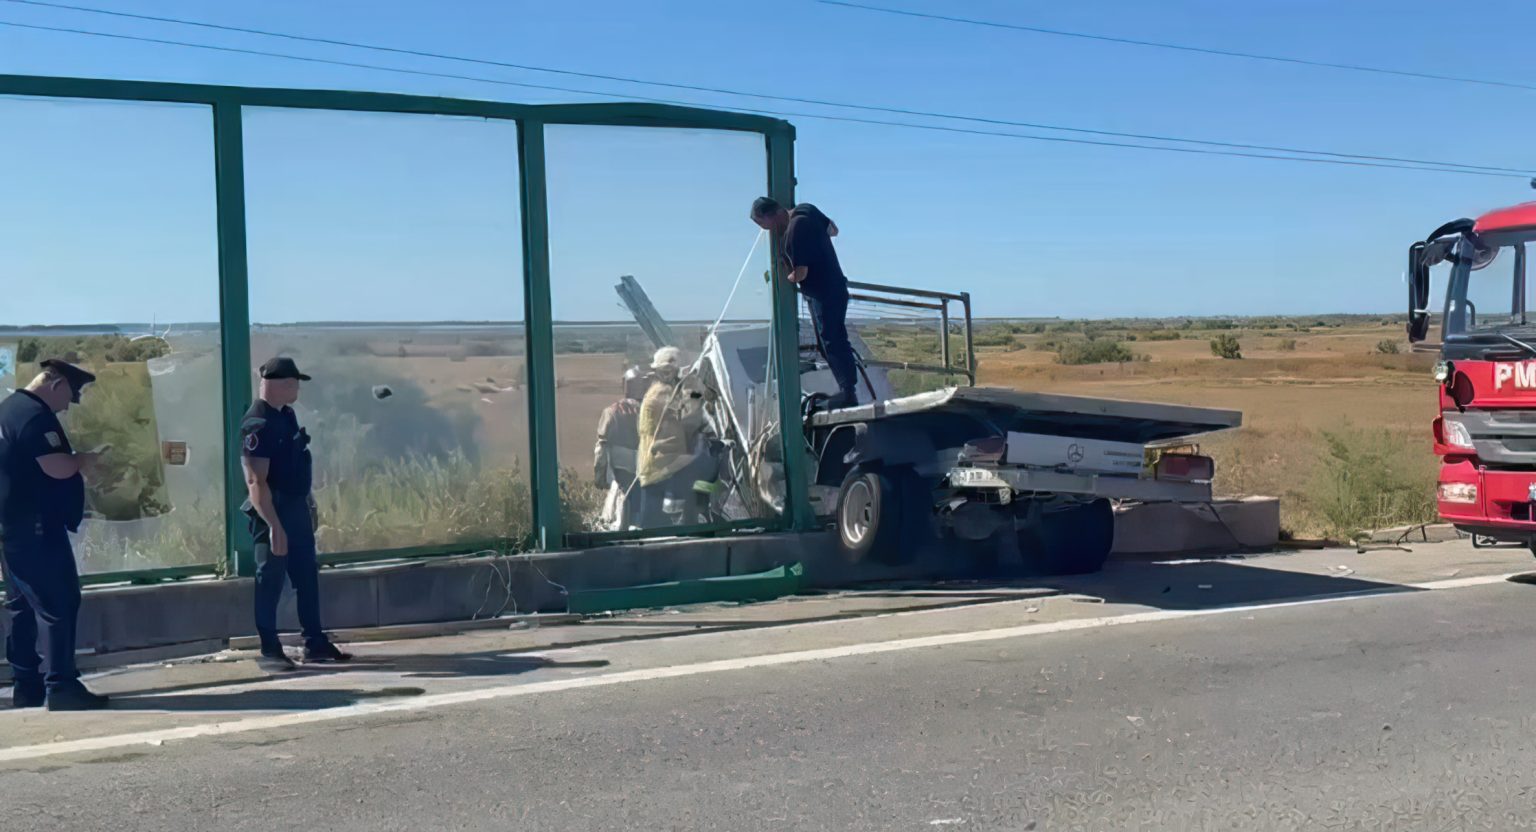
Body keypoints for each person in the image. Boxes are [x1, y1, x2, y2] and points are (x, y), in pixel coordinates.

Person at [0, 359, 108, 710]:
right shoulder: (34, 416)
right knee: (58, 603)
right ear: (56, 384)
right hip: (36, 530)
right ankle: (61, 685)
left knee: (22, 606)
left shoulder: (10, 409)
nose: (67, 406)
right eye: (69, 396)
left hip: (14, 528)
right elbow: (56, 466)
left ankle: (26, 684)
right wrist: (83, 460)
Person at [240, 357, 350, 672]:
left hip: (296, 507)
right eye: (295, 383)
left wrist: (308, 504)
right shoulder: (258, 423)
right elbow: (255, 481)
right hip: (272, 509)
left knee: (306, 575)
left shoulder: (285, 415)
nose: (298, 389)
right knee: (270, 579)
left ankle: (315, 642)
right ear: (285, 384)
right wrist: (274, 525)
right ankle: (269, 649)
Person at [751, 196, 859, 409]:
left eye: (761, 223)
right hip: (835, 286)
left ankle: (848, 392)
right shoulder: (806, 210)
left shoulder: (794, 231)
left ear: (771, 216)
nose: (764, 229)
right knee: (829, 339)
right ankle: (846, 389)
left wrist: (785, 276)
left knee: (831, 339)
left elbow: (800, 273)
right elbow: (833, 230)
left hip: (822, 291)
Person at [635, 347, 716, 527]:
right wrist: (692, 385)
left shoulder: (657, 391)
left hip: (656, 464)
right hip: (667, 465)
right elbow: (691, 414)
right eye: (666, 371)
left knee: (653, 526)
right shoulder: (663, 393)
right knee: (710, 471)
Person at [593, 367, 647, 530]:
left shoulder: (612, 411)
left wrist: (600, 476)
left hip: (622, 470)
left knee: (623, 501)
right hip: (646, 468)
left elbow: (601, 447)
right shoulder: (652, 411)